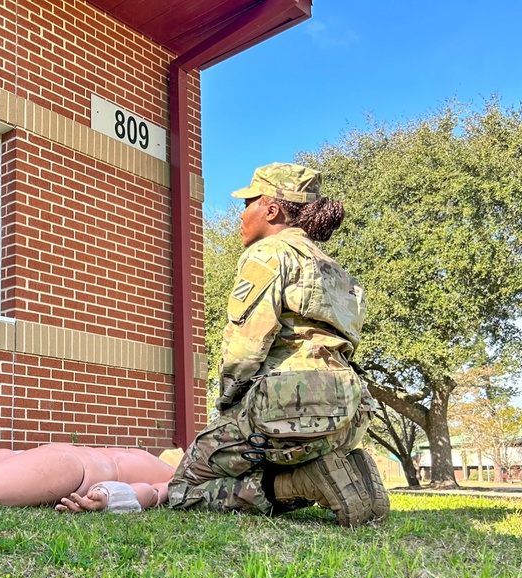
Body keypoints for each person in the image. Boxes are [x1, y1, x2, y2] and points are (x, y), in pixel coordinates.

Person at [59, 164, 389, 526]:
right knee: (264, 453)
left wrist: (229, 403)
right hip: (349, 412)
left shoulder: (269, 253)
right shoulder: (336, 271)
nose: (242, 214)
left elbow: (246, 347)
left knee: (185, 487)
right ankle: (350, 481)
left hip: (290, 408)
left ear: (271, 208)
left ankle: (304, 482)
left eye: (248, 203)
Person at [0, 444, 180, 508]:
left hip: (86, 468)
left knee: (67, 464)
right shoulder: (178, 460)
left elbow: (153, 494)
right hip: (72, 454)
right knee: (16, 454)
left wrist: (110, 497)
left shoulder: (185, 478)